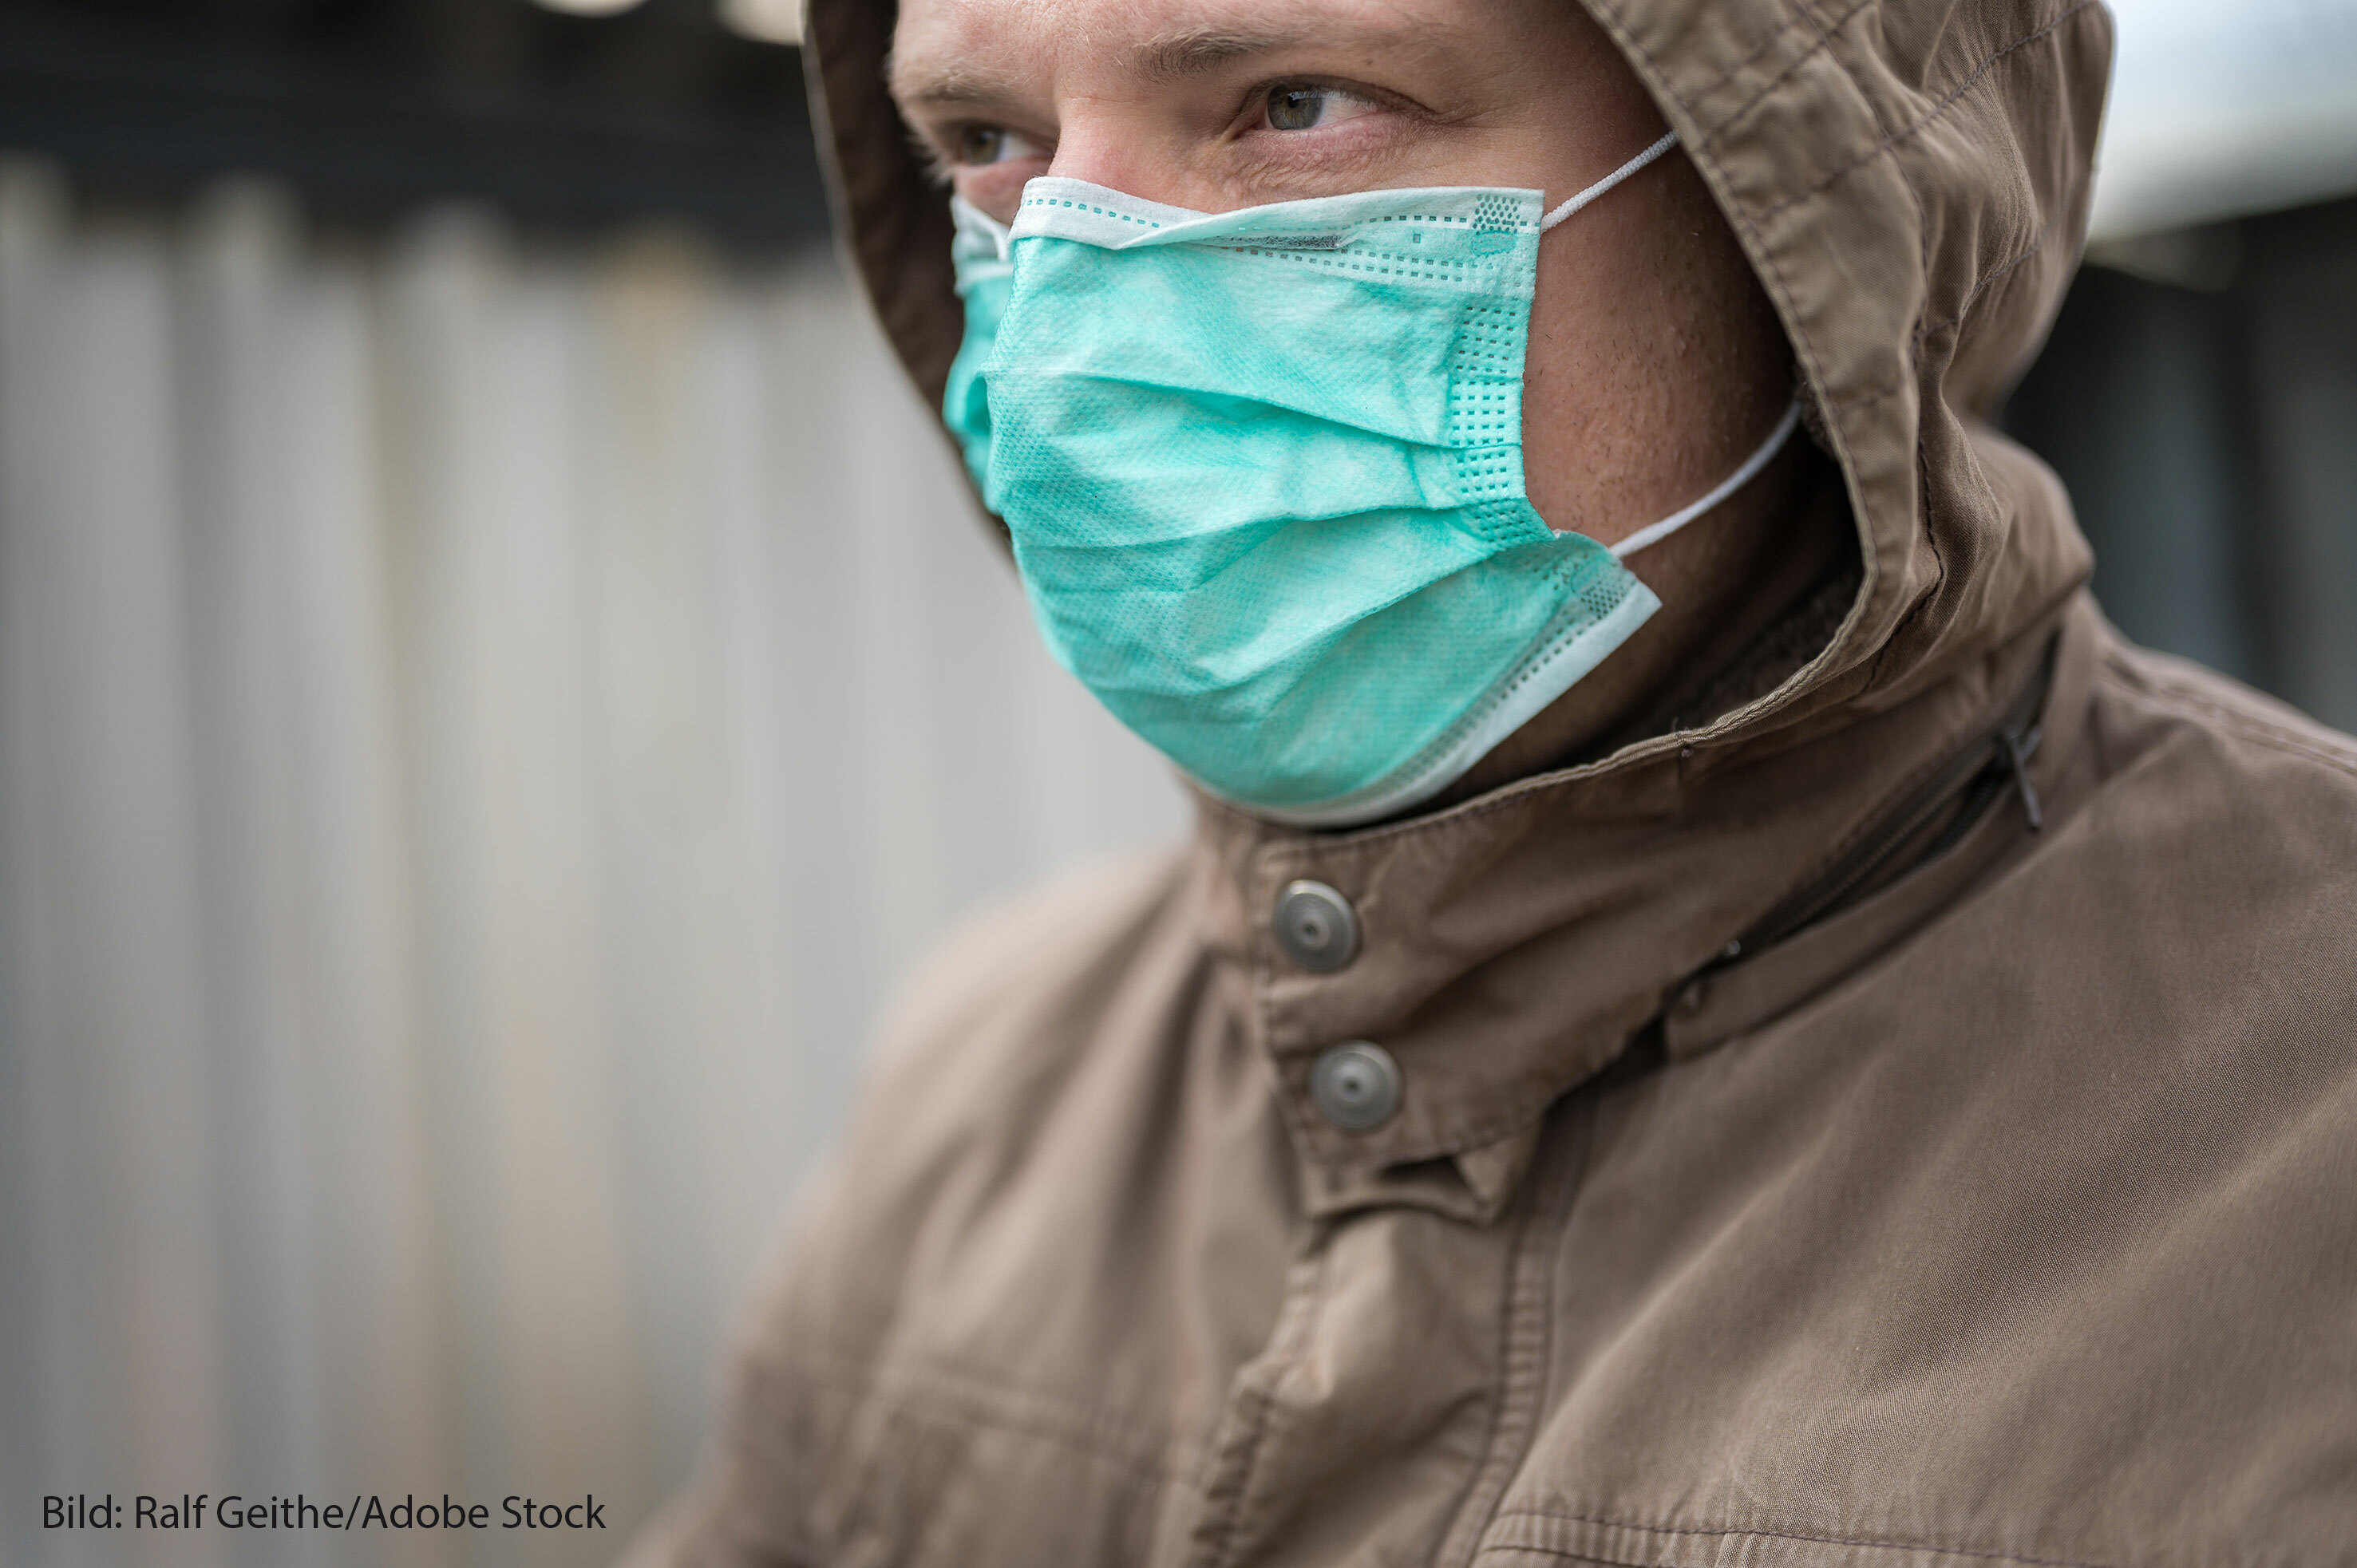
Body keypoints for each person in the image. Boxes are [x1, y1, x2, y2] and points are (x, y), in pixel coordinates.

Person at [632, 0, 2357, 1561]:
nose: (1068, 320)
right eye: (988, 143)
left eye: (1294, 104)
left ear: (1800, 188)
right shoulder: (980, 1090)